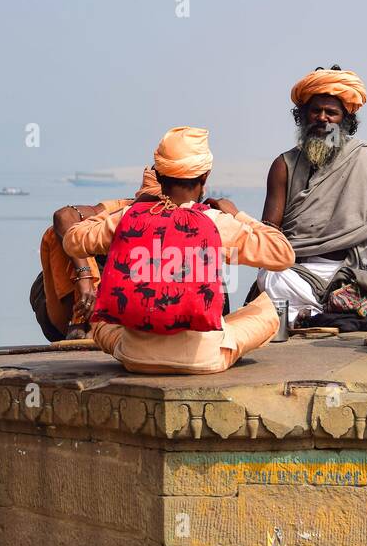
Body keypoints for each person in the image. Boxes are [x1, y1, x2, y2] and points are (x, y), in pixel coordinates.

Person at [63, 127, 294, 374]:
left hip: (135, 358)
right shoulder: (216, 222)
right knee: (267, 311)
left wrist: (132, 209)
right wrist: (237, 213)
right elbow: (282, 254)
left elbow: (73, 240)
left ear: (158, 175)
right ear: (205, 177)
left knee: (100, 318)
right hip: (203, 360)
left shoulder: (128, 218)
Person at [256, 65, 367, 325]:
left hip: (353, 271)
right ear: (303, 116)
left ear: (345, 120)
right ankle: (334, 309)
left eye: (331, 113)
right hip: (300, 272)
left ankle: (318, 311)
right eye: (315, 111)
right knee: (271, 277)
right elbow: (269, 233)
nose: (323, 118)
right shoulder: (284, 165)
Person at [34, 167, 161, 341]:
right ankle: (81, 322)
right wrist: (85, 276)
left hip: (125, 314)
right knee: (59, 234)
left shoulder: (191, 221)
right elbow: (64, 216)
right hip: (70, 306)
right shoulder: (121, 208)